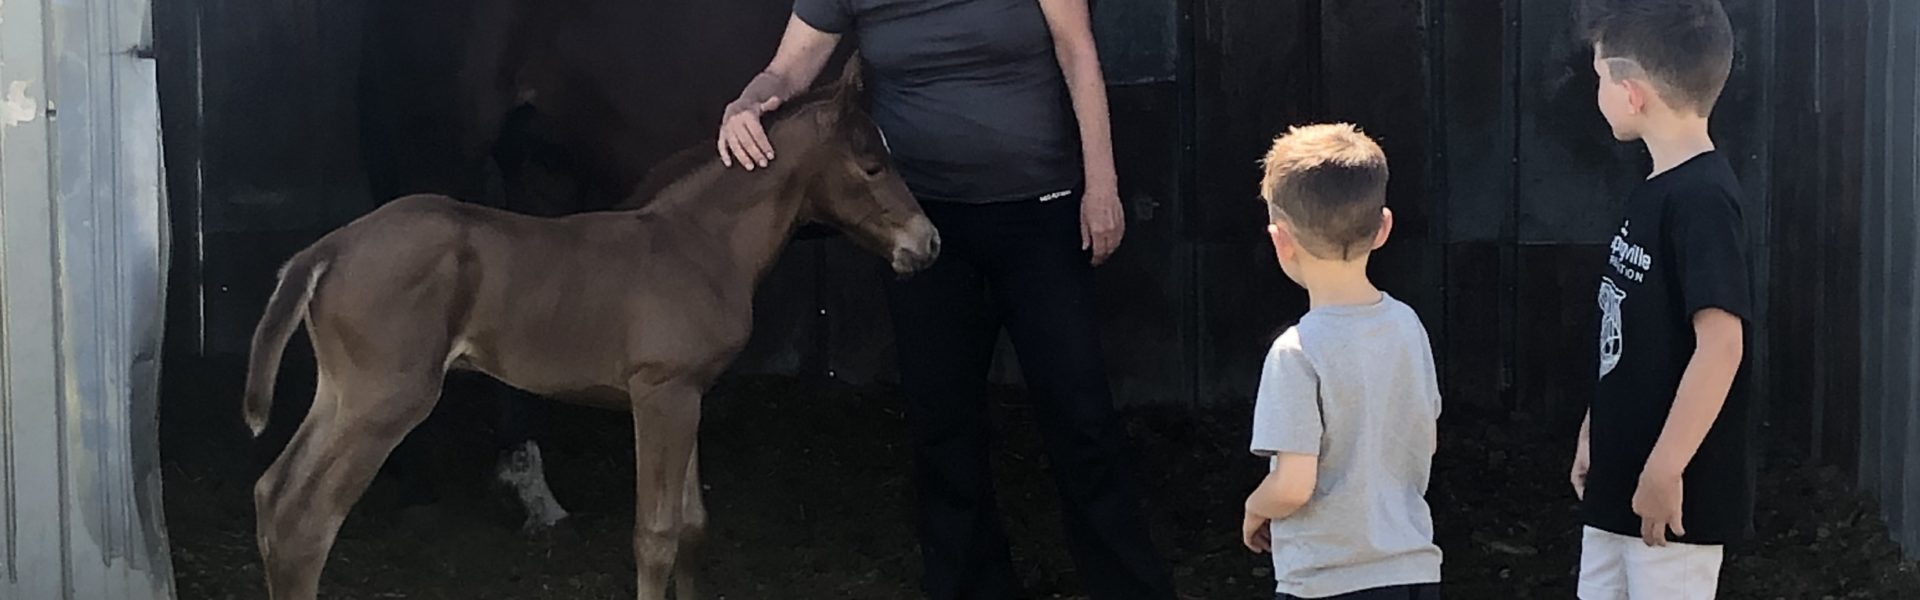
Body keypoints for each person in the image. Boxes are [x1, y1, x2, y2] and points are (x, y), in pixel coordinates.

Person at [715, 1, 1175, 599]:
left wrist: (1102, 184)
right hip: (920, 221)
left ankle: (1129, 587)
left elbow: (1077, 49)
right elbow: (788, 70)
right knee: (942, 424)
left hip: (1037, 213)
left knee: (1080, 416)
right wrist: (747, 103)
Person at [1569, 1, 1753, 598]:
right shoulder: (1655, 188)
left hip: (1670, 507)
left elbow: (1722, 344)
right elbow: (1630, 330)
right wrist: (1596, 428)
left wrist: (1666, 468)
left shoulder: (1704, 199)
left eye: (1599, 77)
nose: (1597, 92)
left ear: (1632, 93)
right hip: (1618, 486)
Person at [1239, 124, 1443, 600]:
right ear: (1384, 227)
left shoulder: (1295, 352)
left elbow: (1292, 486)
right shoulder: (1408, 326)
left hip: (1328, 580)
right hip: (1413, 570)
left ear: (1280, 240)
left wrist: (1255, 507)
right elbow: (1425, 435)